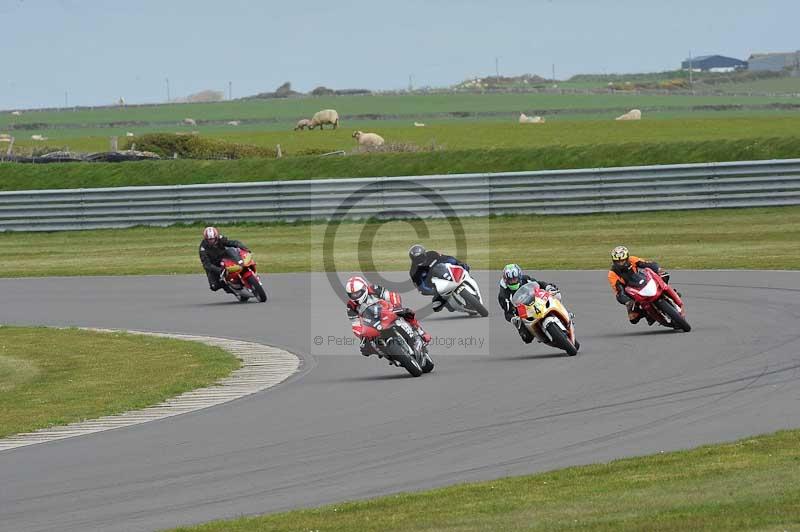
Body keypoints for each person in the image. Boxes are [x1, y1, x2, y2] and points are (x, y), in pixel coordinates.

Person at [345, 275, 431, 357]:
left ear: (364, 288)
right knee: (365, 348)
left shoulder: (373, 289)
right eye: (352, 294)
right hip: (371, 322)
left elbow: (391, 295)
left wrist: (397, 306)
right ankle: (386, 353)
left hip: (387, 311)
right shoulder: (351, 305)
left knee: (407, 313)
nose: (355, 296)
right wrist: (362, 335)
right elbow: (355, 325)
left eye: (358, 293)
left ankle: (421, 332)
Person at [497, 264, 559, 344]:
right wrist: (514, 319)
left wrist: (548, 287)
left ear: (519, 277)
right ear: (506, 280)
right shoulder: (503, 294)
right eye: (510, 280)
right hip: (521, 313)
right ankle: (540, 334)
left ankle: (565, 313)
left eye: (515, 279)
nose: (513, 281)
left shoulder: (525, 279)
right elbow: (507, 312)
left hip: (536, 301)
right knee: (527, 338)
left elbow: (539, 284)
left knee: (556, 295)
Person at [607, 245, 669, 324]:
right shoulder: (612, 274)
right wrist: (628, 301)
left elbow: (646, 264)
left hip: (641, 281)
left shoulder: (632, 259)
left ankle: (668, 292)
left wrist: (658, 269)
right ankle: (649, 314)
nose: (621, 263)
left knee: (664, 275)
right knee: (633, 319)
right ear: (614, 261)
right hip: (630, 292)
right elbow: (619, 291)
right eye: (618, 262)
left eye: (623, 260)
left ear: (627, 258)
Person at [408, 244, 470, 312]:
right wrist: (433, 291)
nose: (419, 260)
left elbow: (447, 258)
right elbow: (421, 288)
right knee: (437, 306)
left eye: (420, 257)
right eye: (416, 259)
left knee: (464, 269)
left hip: (446, 272)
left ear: (424, 254)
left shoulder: (432, 254)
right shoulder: (413, 272)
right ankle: (453, 305)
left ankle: (468, 281)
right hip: (436, 286)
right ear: (412, 259)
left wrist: (459, 263)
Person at [199, 226, 250, 293]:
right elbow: (207, 264)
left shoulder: (220, 238)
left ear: (216, 237)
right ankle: (230, 289)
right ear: (206, 239)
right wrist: (219, 270)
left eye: (213, 239)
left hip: (225, 258)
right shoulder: (203, 248)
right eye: (209, 239)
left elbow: (232, 242)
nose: (211, 241)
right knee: (214, 286)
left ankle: (240, 262)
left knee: (230, 249)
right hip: (214, 264)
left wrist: (243, 247)